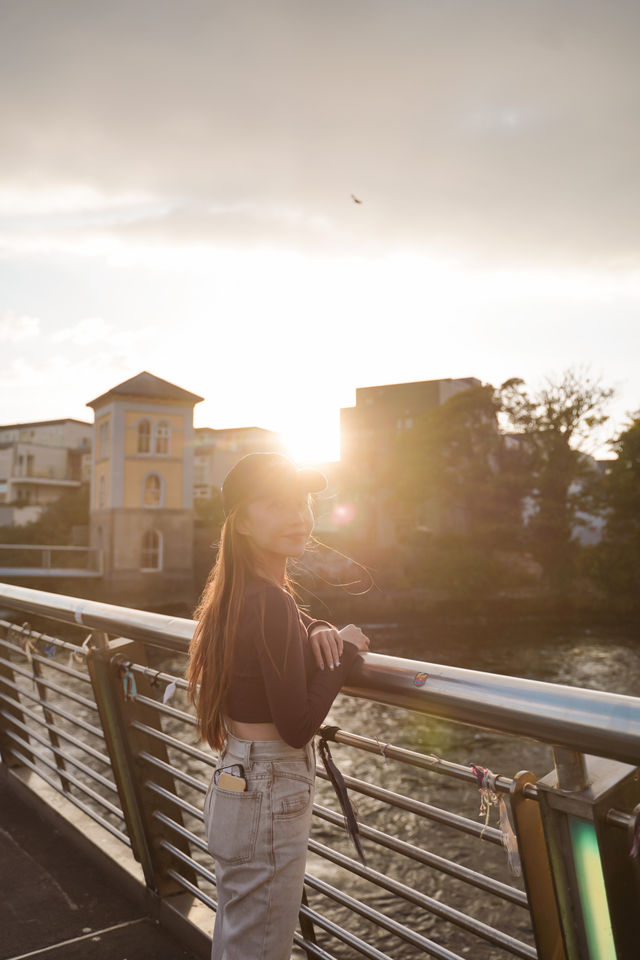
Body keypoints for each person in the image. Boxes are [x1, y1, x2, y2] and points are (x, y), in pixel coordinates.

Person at [185, 451, 371, 960]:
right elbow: (296, 726)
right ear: (241, 521)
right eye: (274, 503)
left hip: (235, 780)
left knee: (238, 938)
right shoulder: (270, 600)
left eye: (301, 502)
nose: (296, 515)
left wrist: (315, 629)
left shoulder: (237, 594)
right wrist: (348, 650)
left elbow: (275, 639)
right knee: (261, 949)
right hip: (269, 788)